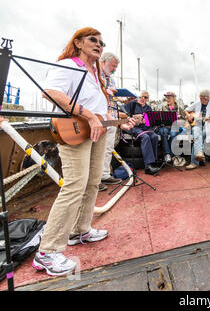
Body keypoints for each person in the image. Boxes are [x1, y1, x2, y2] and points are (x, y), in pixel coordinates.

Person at [32, 27, 135, 276]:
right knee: (75, 185)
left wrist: (121, 118)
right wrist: (88, 115)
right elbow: (51, 93)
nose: (99, 45)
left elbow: (101, 110)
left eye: (102, 42)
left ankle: (80, 229)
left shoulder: (96, 75)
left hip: (96, 133)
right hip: (75, 131)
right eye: (93, 40)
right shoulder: (69, 65)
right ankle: (46, 252)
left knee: (91, 182)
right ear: (77, 42)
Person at [99, 52, 128, 191]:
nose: (114, 69)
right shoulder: (94, 74)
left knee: (108, 147)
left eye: (116, 67)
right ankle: (94, 180)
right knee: (95, 149)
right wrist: (106, 90)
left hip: (111, 116)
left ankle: (104, 174)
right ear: (103, 62)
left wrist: (122, 99)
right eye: (113, 66)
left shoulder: (111, 79)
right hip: (98, 117)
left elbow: (113, 98)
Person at [123, 90, 160, 175]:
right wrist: (133, 118)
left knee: (154, 136)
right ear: (138, 97)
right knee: (145, 137)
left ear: (148, 99)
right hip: (133, 127)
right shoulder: (132, 104)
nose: (143, 98)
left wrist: (145, 121)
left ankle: (154, 162)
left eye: (145, 97)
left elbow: (151, 121)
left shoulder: (148, 108)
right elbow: (122, 114)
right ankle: (148, 166)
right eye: (141, 96)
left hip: (145, 127)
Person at [184, 89, 210, 170]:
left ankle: (196, 159)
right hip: (196, 125)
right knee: (197, 131)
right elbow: (186, 110)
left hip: (208, 127)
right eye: (199, 98)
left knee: (198, 136)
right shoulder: (197, 103)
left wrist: (209, 119)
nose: (200, 100)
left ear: (207, 98)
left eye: (201, 98)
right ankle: (199, 156)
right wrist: (189, 116)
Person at [157, 91, 185, 164]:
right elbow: (157, 119)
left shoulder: (179, 108)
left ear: (174, 98)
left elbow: (184, 120)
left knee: (173, 134)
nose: (167, 99)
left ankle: (169, 155)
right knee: (163, 132)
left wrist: (179, 118)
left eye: (169, 98)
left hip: (175, 127)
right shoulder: (162, 107)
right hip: (165, 127)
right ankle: (168, 154)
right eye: (166, 98)